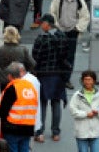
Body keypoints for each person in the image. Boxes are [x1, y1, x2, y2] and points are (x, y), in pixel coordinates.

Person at [48, 0, 90, 89]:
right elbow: (52, 12)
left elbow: (85, 16)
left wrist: (77, 28)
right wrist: (56, 25)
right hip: (60, 31)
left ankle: (66, 79)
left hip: (72, 32)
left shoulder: (79, 0)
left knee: (70, 57)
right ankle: (57, 78)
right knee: (57, 55)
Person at [31, 14, 67, 142]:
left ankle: (40, 132)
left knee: (42, 103)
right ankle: (56, 132)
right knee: (56, 102)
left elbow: (35, 57)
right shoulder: (62, 36)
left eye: (42, 23)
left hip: (43, 75)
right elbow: (65, 55)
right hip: (58, 75)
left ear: (47, 24)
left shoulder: (41, 38)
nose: (41, 25)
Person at [0, 62, 37, 152]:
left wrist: (3, 128)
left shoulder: (12, 88)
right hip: (28, 128)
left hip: (12, 129)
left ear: (10, 76)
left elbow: (3, 111)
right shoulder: (30, 86)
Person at [69, 70, 99, 152]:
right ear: (82, 81)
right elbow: (73, 111)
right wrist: (86, 114)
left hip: (95, 131)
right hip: (81, 131)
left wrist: (98, 112)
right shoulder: (77, 95)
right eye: (85, 79)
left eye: (89, 79)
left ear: (94, 81)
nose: (87, 82)